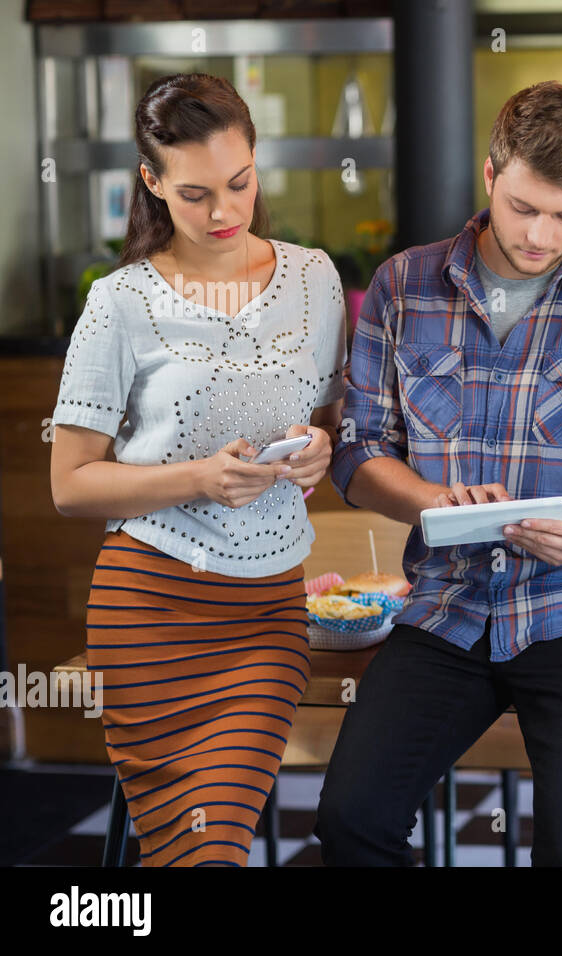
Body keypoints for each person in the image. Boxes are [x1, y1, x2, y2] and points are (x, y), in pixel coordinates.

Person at [314, 81, 562, 866]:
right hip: (447, 604)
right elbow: (357, 451)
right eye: (524, 208)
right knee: (351, 819)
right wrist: (431, 499)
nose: (542, 235)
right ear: (490, 175)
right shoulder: (402, 287)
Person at [49, 73, 347, 866]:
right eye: (195, 193)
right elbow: (71, 483)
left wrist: (317, 451)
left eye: (239, 184)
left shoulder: (316, 280)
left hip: (266, 618)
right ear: (151, 182)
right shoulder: (119, 303)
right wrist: (197, 478)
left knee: (210, 848)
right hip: (149, 610)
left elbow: (322, 426)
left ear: (255, 160)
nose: (223, 212)